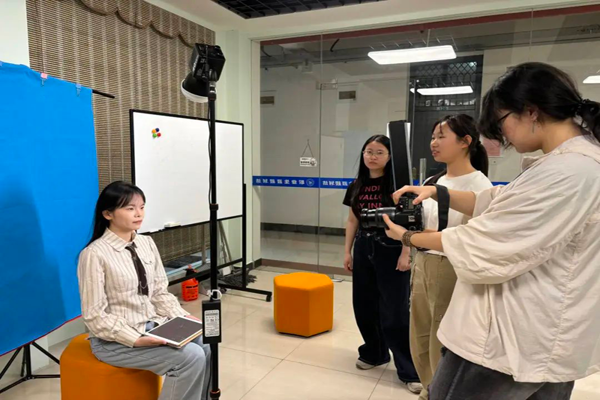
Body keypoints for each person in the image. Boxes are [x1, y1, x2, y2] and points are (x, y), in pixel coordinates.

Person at [383, 62, 600, 400]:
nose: (503, 137)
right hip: (536, 334)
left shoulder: (570, 170)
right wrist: (437, 191)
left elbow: (485, 242)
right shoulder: (567, 163)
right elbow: (497, 202)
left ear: (530, 111)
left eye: (501, 123)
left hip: (511, 340)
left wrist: (407, 238)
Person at [78, 181, 211, 400]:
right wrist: (135, 339)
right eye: (130, 208)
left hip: (152, 325)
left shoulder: (146, 243)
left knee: (206, 343)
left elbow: (159, 291)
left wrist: (182, 316)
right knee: (191, 357)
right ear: (108, 214)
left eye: (141, 207)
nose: (138, 213)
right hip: (113, 340)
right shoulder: (94, 254)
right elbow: (94, 315)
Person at [406, 115, 492, 400]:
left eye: (441, 136)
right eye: (433, 136)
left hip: (451, 267)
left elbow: (471, 239)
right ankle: (428, 388)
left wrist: (421, 236)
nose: (434, 143)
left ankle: (438, 392)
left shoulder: (479, 185)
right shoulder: (433, 181)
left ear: (465, 141)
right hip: (423, 261)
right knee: (418, 333)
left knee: (441, 337)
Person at [343, 135, 421, 394]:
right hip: (364, 247)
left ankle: (409, 370)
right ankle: (375, 352)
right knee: (364, 304)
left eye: (379, 152)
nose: (372, 157)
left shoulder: (398, 186)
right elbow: (352, 220)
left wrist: (406, 252)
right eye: (368, 151)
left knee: (395, 311)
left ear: (389, 157)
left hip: (391, 248)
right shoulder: (356, 185)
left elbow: (409, 221)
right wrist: (347, 251)